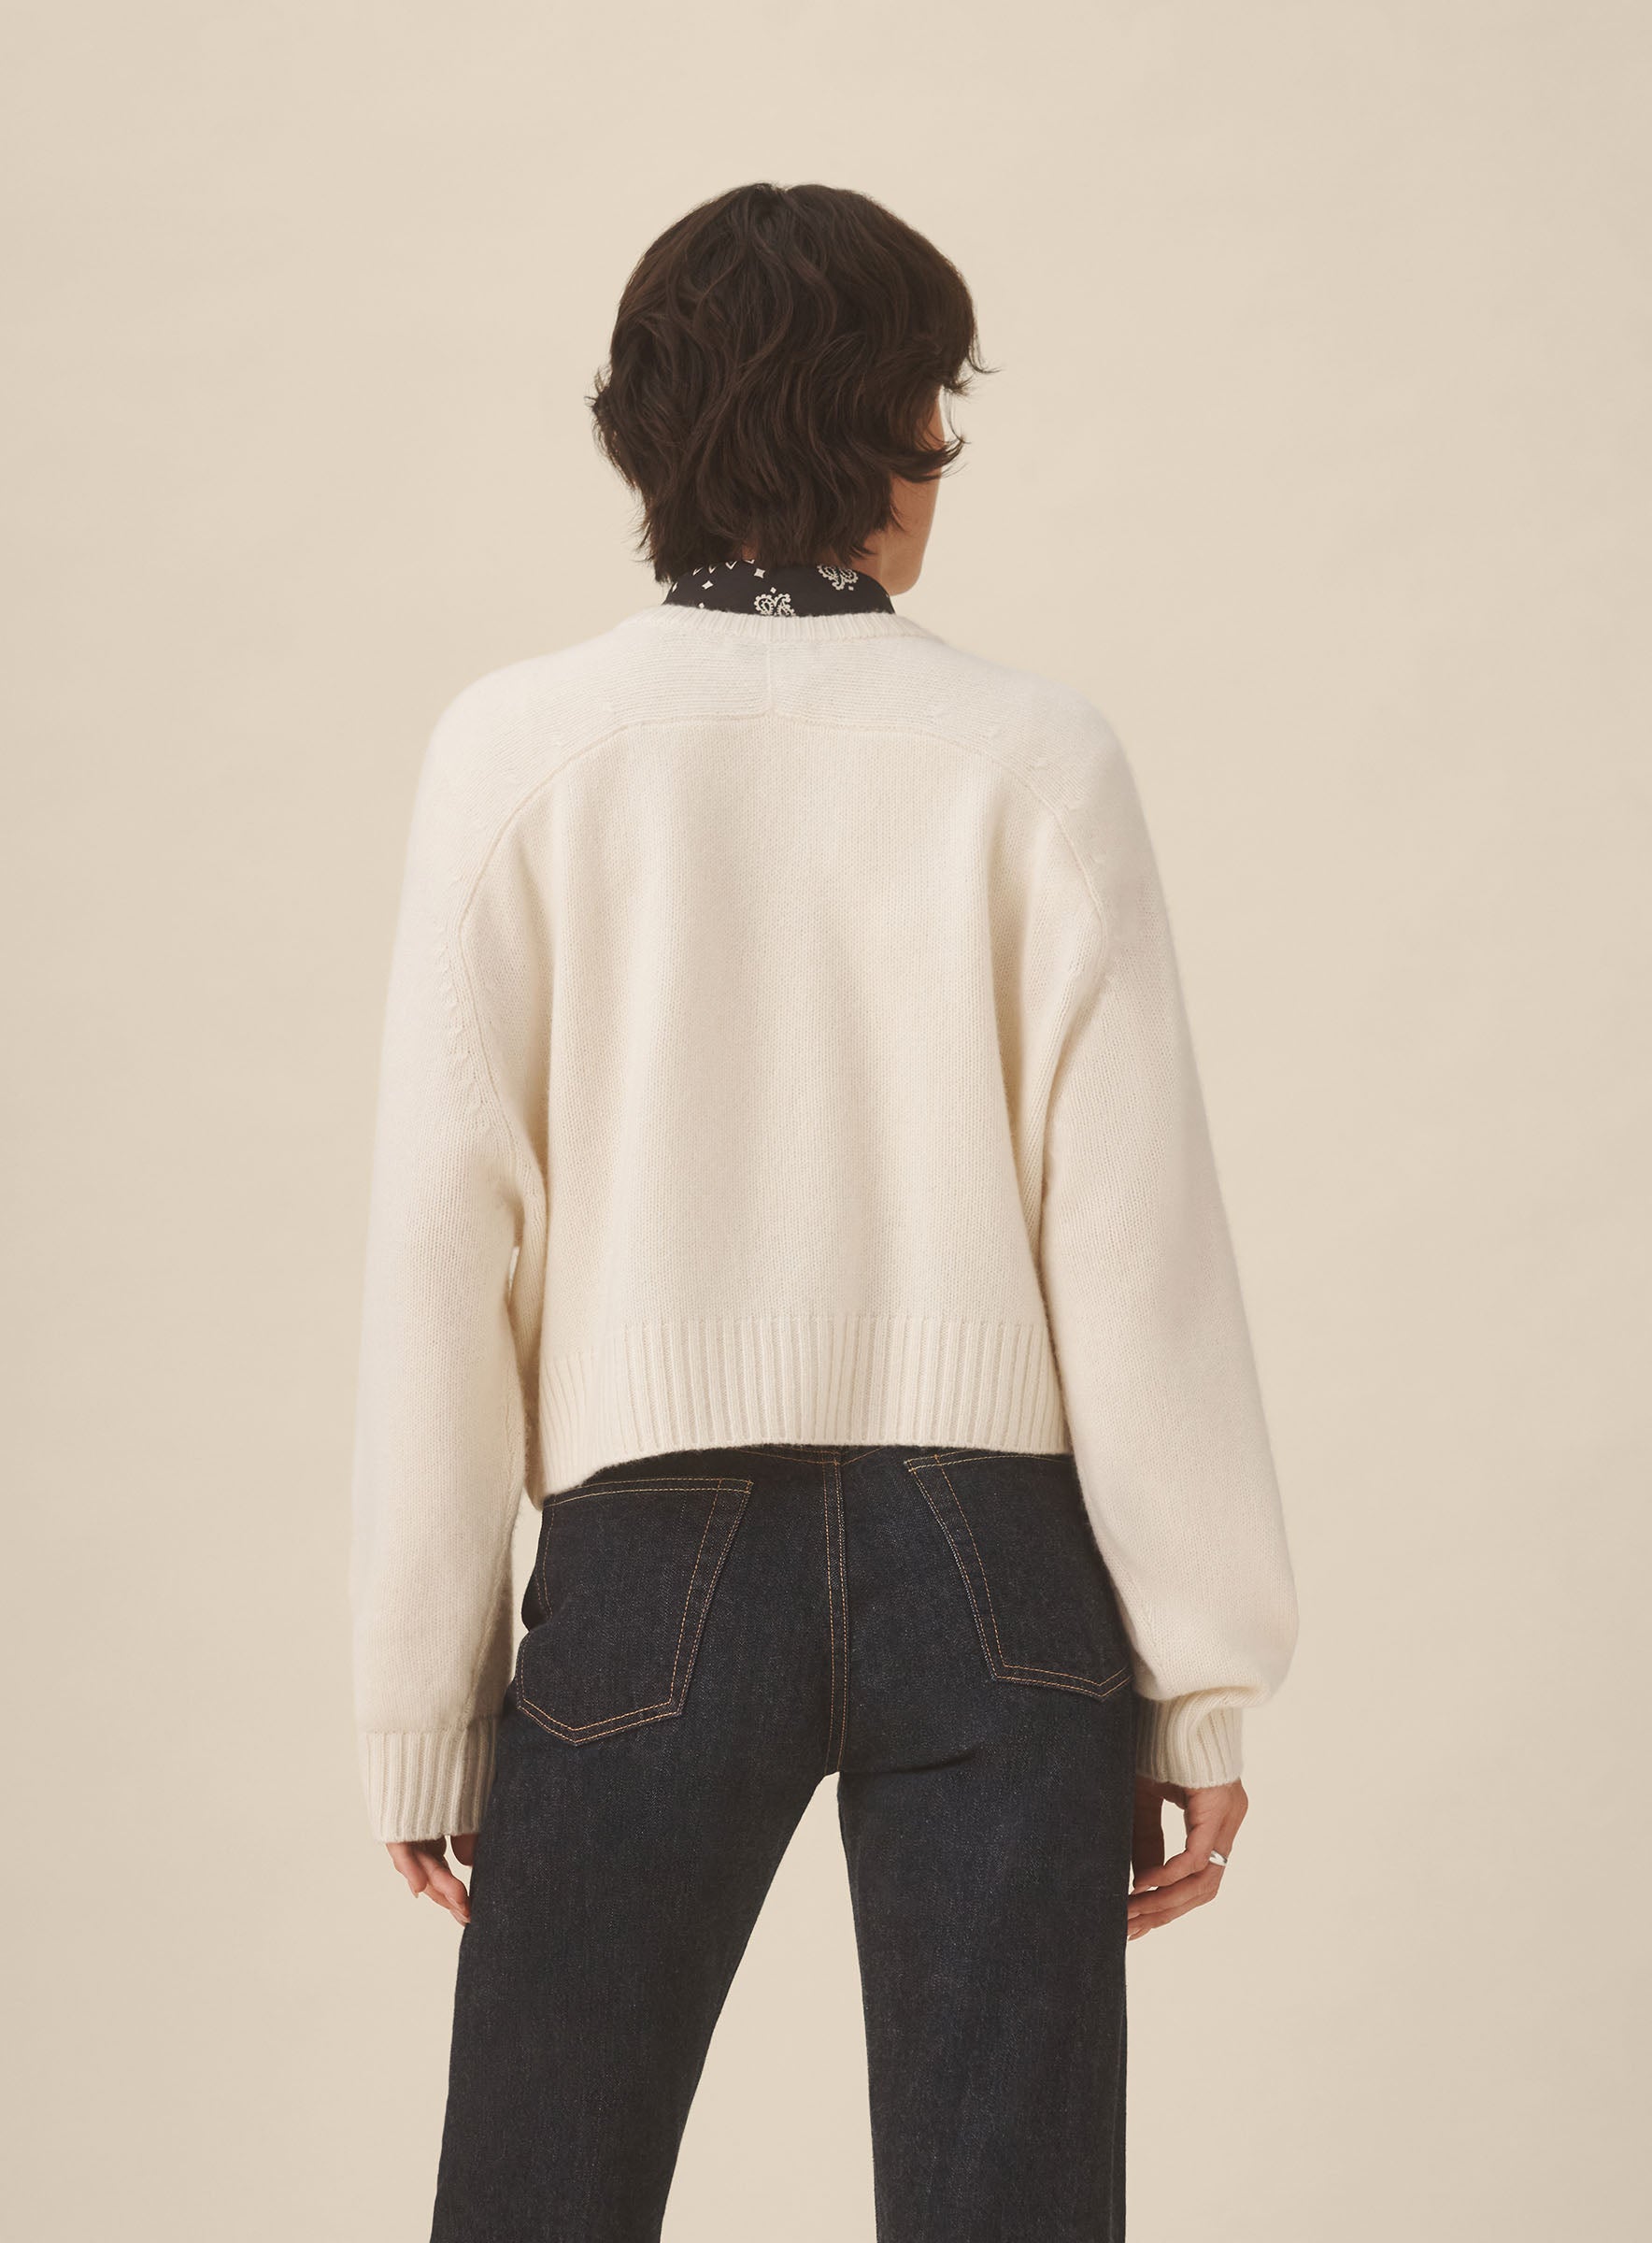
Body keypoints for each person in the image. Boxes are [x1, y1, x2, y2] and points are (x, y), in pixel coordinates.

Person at [348, 180, 1299, 2243]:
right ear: (894, 433)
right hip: (1000, 1563)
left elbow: (444, 1247)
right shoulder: (1034, 757)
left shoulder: (520, 752)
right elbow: (1133, 1244)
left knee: (538, 2199)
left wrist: (423, 1710)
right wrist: (1201, 1669)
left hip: (649, 1561)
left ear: (645, 434)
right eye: (936, 406)